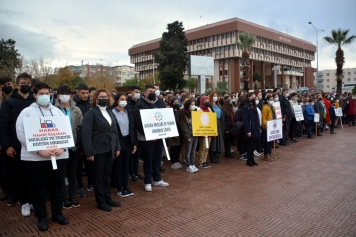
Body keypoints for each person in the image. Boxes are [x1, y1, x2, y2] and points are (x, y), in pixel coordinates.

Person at [16, 82, 69, 231]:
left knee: (57, 186)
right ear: (35, 95)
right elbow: (21, 134)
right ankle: (42, 217)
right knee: (38, 188)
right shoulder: (26, 112)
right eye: (41, 94)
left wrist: (62, 147)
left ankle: (57, 214)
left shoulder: (57, 112)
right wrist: (39, 150)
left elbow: (66, 131)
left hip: (58, 156)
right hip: (35, 159)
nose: (45, 96)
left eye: (47, 93)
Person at [0, 72, 35, 214]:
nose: (25, 85)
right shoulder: (9, 102)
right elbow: (3, 125)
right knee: (19, 175)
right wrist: (7, 145)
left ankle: (33, 200)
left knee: (33, 175)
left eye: (28, 83)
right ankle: (24, 201)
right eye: (23, 83)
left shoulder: (35, 101)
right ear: (17, 85)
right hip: (17, 146)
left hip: (34, 145)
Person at [81, 88, 121, 212]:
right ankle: (101, 201)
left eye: (105, 97)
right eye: (100, 97)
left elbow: (114, 131)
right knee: (98, 177)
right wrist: (89, 152)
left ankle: (108, 198)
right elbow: (86, 134)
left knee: (107, 176)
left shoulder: (110, 111)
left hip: (110, 148)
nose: (103, 99)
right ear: (95, 99)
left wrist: (117, 147)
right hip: (97, 149)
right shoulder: (91, 113)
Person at [133, 84, 169, 192]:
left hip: (159, 136)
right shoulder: (140, 105)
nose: (153, 93)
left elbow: (165, 117)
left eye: (154, 91)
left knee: (157, 158)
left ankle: (157, 178)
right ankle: (148, 180)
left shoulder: (160, 103)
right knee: (148, 159)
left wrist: (166, 130)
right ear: (145, 93)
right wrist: (149, 134)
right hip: (146, 138)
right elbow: (138, 122)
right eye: (150, 91)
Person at [54, 85, 83, 209]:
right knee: (60, 174)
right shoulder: (53, 110)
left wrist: (80, 145)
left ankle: (72, 196)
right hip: (59, 148)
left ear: (71, 95)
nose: (64, 96)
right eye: (61, 93)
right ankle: (63, 197)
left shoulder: (76, 110)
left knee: (73, 173)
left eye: (67, 93)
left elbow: (81, 128)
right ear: (57, 95)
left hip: (73, 147)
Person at [111, 93, 137, 197]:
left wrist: (134, 143)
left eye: (125, 99)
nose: (124, 101)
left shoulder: (128, 112)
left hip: (128, 141)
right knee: (118, 165)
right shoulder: (112, 112)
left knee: (126, 165)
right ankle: (120, 188)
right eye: (122, 99)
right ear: (117, 100)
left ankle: (126, 186)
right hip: (118, 141)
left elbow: (132, 128)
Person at [73, 83, 93, 196]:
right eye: (83, 93)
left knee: (90, 163)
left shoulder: (90, 104)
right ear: (78, 92)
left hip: (89, 139)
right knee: (79, 165)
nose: (85, 95)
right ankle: (80, 185)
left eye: (87, 93)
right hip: (78, 139)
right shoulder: (74, 105)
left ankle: (91, 183)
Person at [126, 85, 144, 181]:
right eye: (136, 92)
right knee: (132, 154)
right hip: (132, 133)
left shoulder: (141, 103)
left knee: (137, 154)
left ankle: (136, 172)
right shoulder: (128, 104)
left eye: (139, 92)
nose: (138, 94)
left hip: (140, 133)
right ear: (131, 92)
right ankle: (131, 172)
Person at [177, 99, 199, 173]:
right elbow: (184, 127)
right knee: (188, 151)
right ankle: (188, 165)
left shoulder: (195, 113)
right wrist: (187, 136)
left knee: (193, 151)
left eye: (194, 104)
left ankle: (192, 164)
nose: (193, 106)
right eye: (191, 104)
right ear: (188, 105)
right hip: (189, 135)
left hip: (195, 134)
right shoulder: (184, 114)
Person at [242, 92, 261, 167]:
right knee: (249, 145)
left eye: (254, 97)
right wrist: (248, 130)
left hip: (255, 127)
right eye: (252, 97)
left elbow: (257, 118)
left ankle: (252, 159)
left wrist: (259, 128)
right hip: (250, 128)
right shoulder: (246, 107)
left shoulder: (254, 106)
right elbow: (245, 120)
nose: (254, 99)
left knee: (253, 145)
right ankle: (249, 160)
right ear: (249, 98)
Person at [208, 91, 224, 164]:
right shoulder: (210, 105)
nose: (216, 97)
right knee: (213, 141)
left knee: (217, 141)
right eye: (214, 96)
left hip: (219, 124)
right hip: (213, 124)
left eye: (216, 96)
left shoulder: (218, 105)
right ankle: (212, 156)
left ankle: (215, 155)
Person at [197, 95, 212, 168]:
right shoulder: (199, 109)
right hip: (203, 132)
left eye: (208, 101)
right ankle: (201, 162)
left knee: (207, 147)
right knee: (202, 147)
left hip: (209, 131)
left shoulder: (209, 108)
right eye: (205, 101)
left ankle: (205, 160)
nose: (207, 102)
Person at [261, 95, 277, 162]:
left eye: (273, 99)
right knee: (267, 142)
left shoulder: (273, 107)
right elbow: (263, 118)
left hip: (272, 126)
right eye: (271, 99)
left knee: (270, 141)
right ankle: (266, 154)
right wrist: (265, 124)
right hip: (267, 126)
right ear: (267, 101)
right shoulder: (265, 107)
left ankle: (269, 154)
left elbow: (275, 116)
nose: (272, 100)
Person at [235, 96, 247, 160]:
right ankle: (242, 153)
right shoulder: (239, 111)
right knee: (241, 141)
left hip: (245, 128)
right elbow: (236, 120)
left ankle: (244, 152)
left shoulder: (246, 110)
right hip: (241, 128)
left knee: (244, 141)